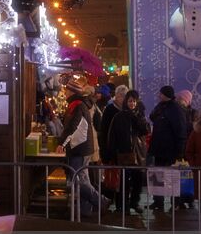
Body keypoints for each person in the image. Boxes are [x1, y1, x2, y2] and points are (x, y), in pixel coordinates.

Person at [57, 77, 108, 217]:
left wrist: (62, 143)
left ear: (72, 92)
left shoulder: (77, 105)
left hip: (79, 147)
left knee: (78, 179)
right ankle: (85, 210)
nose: (65, 93)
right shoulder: (81, 104)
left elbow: (73, 126)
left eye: (67, 90)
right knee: (83, 179)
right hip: (83, 146)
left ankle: (101, 200)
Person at [106, 89, 150, 215]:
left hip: (137, 153)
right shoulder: (119, 116)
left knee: (137, 180)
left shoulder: (139, 115)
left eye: (134, 101)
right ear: (126, 102)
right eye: (130, 101)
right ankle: (122, 205)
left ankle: (134, 203)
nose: (132, 104)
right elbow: (112, 135)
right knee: (123, 181)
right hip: (124, 152)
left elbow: (145, 131)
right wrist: (112, 152)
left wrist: (138, 117)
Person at [148, 85, 188, 213]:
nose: (159, 95)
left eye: (161, 94)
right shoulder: (161, 107)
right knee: (158, 174)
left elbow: (180, 130)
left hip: (171, 149)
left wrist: (180, 150)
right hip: (159, 148)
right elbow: (152, 117)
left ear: (166, 94)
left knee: (172, 176)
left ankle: (175, 202)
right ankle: (158, 201)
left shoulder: (176, 109)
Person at [176, 89, 196, 208]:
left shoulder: (193, 113)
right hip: (180, 148)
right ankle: (179, 199)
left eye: (181, 99)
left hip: (189, 148)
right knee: (178, 175)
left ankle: (189, 198)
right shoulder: (177, 112)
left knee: (188, 176)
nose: (179, 101)